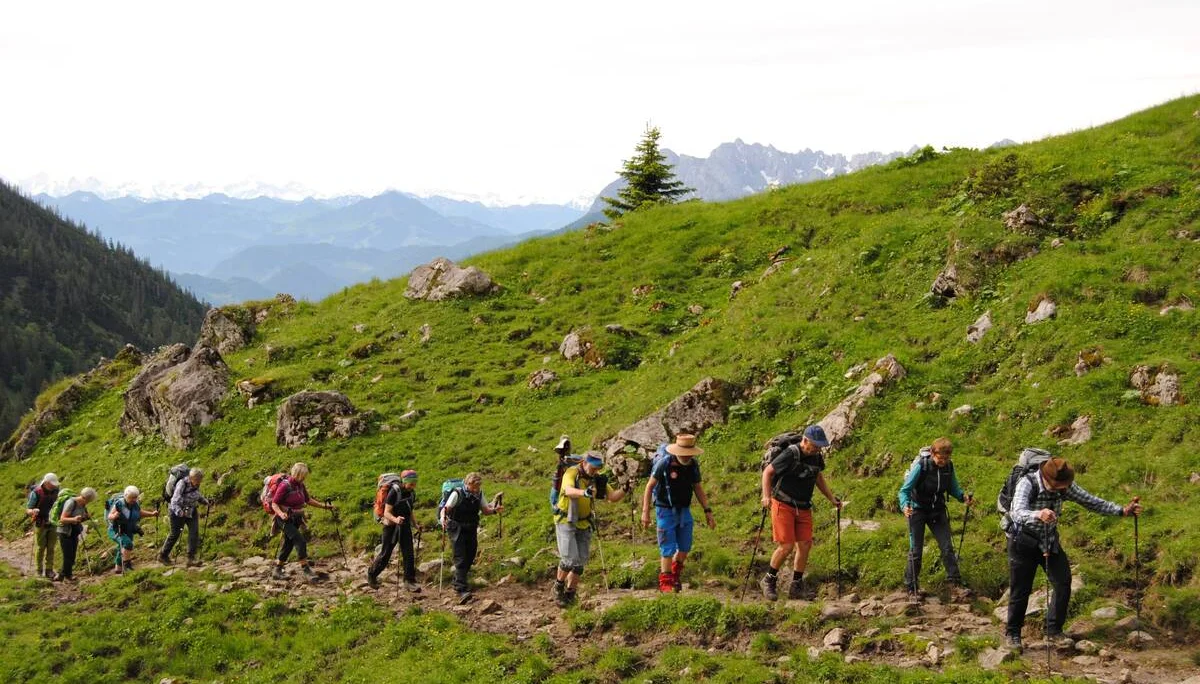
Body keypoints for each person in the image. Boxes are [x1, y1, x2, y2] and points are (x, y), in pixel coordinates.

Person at [1004, 457, 1141, 651]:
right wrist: (1038, 514)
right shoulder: (1027, 483)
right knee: (1021, 589)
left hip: (1049, 541)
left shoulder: (1065, 487)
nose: (1064, 489)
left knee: (1063, 582)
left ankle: (1053, 631)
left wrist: (1122, 511)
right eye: (1060, 486)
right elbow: (1017, 512)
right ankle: (1013, 634)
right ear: (1048, 479)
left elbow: (1090, 501)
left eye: (1065, 486)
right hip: (1022, 542)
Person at [758, 424, 842, 600]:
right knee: (786, 546)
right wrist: (766, 496)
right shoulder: (791, 453)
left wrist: (831, 498)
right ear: (805, 440)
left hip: (803, 505)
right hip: (782, 503)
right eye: (815, 445)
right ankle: (768, 580)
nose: (818, 449)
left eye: (820, 446)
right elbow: (767, 473)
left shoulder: (816, 456)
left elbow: (818, 476)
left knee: (805, 544)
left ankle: (796, 586)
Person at [898, 437, 974, 598]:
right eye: (940, 458)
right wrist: (905, 506)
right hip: (917, 510)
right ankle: (912, 587)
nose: (943, 462)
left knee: (947, 547)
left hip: (937, 511)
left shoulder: (948, 467)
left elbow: (953, 487)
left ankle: (955, 584)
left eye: (946, 458)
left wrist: (963, 497)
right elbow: (904, 490)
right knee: (916, 550)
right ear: (933, 453)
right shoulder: (922, 466)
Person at [641, 434, 716, 593]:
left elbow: (697, 487)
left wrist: (707, 510)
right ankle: (665, 583)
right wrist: (645, 512)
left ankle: (675, 574)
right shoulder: (664, 463)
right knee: (667, 547)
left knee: (685, 546)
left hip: (684, 509)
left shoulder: (693, 465)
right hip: (664, 510)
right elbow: (649, 486)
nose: (687, 456)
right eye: (684, 453)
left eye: (689, 453)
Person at [553, 453, 627, 607]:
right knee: (569, 560)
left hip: (584, 523)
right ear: (585, 462)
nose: (595, 471)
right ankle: (558, 588)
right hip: (566, 520)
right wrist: (584, 492)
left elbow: (612, 497)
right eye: (593, 468)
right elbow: (568, 490)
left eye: (597, 468)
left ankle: (570, 594)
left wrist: (626, 488)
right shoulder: (571, 473)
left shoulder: (596, 478)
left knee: (579, 563)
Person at [439, 472, 503, 604]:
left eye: (477, 487)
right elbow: (446, 508)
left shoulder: (479, 494)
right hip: (456, 527)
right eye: (473, 487)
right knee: (460, 556)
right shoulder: (457, 493)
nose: (475, 490)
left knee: (471, 554)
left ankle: (458, 581)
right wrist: (443, 519)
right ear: (467, 484)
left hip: (471, 527)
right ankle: (461, 589)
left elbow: (485, 510)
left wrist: (495, 510)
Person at [269, 462, 335, 581]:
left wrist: (324, 506)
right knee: (300, 541)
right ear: (297, 474)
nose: (304, 478)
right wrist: (281, 514)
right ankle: (306, 569)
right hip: (284, 519)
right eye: (303, 475)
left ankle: (277, 570)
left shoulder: (300, 485)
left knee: (288, 544)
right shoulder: (285, 486)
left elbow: (308, 500)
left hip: (296, 518)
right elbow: (274, 503)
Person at [367, 469, 421, 591]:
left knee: (408, 553)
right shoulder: (394, 492)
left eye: (414, 483)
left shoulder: (411, 493)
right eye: (411, 484)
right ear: (404, 481)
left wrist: (415, 525)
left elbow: (410, 510)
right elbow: (386, 512)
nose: (413, 486)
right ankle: (372, 574)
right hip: (391, 526)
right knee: (386, 553)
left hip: (405, 525)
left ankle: (409, 581)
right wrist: (396, 520)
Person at [158, 468, 210, 567]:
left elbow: (197, 494)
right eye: (197, 480)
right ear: (191, 478)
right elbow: (174, 501)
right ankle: (163, 555)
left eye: (200, 480)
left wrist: (205, 501)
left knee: (194, 532)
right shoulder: (182, 484)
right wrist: (180, 512)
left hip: (191, 510)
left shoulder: (196, 484)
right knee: (175, 534)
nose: (199, 482)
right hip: (177, 512)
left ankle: (191, 558)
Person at [107, 486, 160, 574]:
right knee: (127, 544)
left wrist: (152, 514)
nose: (134, 499)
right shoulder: (119, 504)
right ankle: (127, 566)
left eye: (135, 497)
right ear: (125, 496)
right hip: (116, 529)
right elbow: (109, 516)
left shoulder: (135, 504)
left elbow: (139, 512)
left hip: (129, 529)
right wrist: (114, 516)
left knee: (123, 547)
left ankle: (118, 568)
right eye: (131, 497)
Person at [56, 487, 98, 581]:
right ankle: (67, 575)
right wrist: (73, 519)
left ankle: (62, 575)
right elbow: (62, 519)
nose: (88, 503)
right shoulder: (71, 502)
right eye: (89, 501)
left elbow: (79, 519)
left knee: (72, 555)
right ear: (85, 498)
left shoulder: (83, 505)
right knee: (68, 555)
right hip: (64, 531)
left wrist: (85, 517)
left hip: (74, 532)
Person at [25, 472, 61, 579]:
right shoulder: (36, 493)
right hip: (40, 522)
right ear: (46, 482)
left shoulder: (57, 491)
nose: (54, 485)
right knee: (41, 547)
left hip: (53, 522)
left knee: (51, 547)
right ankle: (39, 570)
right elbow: (28, 509)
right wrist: (33, 511)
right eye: (52, 484)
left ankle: (49, 570)